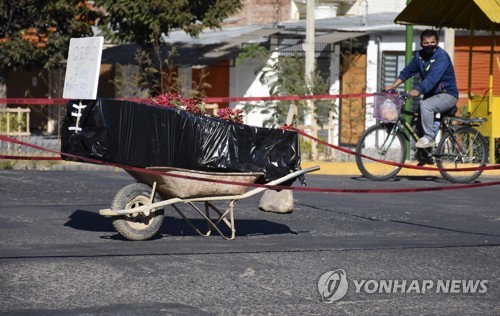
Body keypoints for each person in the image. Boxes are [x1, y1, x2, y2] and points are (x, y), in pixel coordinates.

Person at [385, 29, 458, 148]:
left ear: (437, 42)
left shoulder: (442, 57)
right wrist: (393, 85)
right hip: (432, 96)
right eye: (426, 43)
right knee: (417, 124)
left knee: (426, 106)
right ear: (421, 44)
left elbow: (433, 78)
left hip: (447, 95)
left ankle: (429, 138)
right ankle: (427, 154)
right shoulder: (419, 56)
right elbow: (407, 71)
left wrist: (418, 89)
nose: (429, 45)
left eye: (432, 42)